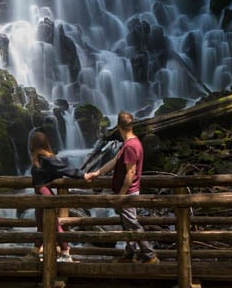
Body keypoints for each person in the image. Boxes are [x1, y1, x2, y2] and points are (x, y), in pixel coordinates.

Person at [85, 110, 158, 263]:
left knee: (132, 224)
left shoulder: (130, 147)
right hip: (128, 192)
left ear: (118, 127)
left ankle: (150, 255)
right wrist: (97, 173)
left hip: (128, 193)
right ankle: (130, 254)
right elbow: (114, 162)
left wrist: (121, 195)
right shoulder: (131, 143)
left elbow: (130, 173)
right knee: (127, 224)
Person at [29, 130, 85, 262]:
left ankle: (66, 252)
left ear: (34, 145)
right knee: (40, 226)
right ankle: (35, 252)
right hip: (40, 196)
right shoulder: (39, 159)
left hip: (45, 195)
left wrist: (83, 175)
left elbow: (64, 169)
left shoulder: (48, 159)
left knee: (54, 224)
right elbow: (55, 173)